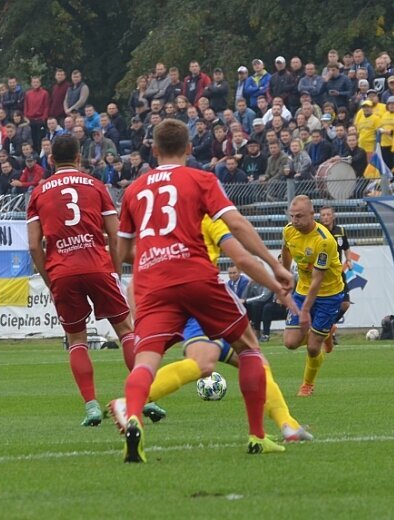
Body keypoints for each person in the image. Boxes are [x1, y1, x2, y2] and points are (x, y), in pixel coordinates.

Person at [114, 119, 295, 462]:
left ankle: (135, 415)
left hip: (152, 281)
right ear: (188, 149)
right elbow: (236, 224)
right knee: (250, 348)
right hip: (195, 274)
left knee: (146, 360)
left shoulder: (134, 189)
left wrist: (154, 250)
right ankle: (258, 435)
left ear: (153, 150)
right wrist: (275, 266)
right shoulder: (201, 178)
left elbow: (121, 253)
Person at [108, 214, 312, 444]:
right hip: (205, 302)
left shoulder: (161, 227)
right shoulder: (204, 217)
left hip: (194, 301)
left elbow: (134, 273)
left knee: (255, 361)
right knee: (209, 362)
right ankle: (131, 402)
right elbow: (241, 255)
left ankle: (287, 425)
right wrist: (276, 280)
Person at [26, 135, 145, 427]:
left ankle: (92, 406)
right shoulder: (96, 185)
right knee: (125, 330)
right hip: (96, 266)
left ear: (51, 160)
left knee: (76, 339)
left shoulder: (39, 193)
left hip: (62, 272)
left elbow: (33, 245)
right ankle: (145, 398)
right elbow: (116, 234)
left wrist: (50, 278)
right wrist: (114, 271)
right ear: (80, 157)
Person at [281, 195, 346, 397]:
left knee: (311, 348)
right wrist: (285, 282)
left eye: (299, 216)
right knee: (290, 343)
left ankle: (307, 384)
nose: (295, 220)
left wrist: (305, 312)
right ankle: (324, 332)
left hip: (328, 294)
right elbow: (285, 251)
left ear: (312, 214)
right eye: (292, 216)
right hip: (302, 291)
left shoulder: (324, 240)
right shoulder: (289, 231)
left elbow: (317, 280)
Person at [318, 205, 352, 348]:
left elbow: (346, 247)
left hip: (337, 272)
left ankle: (329, 327)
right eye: (323, 215)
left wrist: (348, 260)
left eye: (328, 214)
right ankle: (322, 332)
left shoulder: (340, 231)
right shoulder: (317, 232)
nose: (325, 217)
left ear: (333, 216)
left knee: (345, 303)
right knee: (321, 304)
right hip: (321, 273)